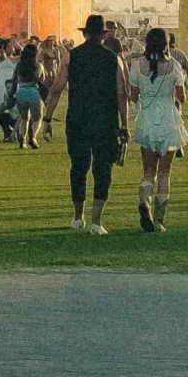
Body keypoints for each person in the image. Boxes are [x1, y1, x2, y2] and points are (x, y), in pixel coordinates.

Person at [66, 15, 126, 233]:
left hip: (77, 118)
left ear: (85, 33)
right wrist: (125, 123)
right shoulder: (113, 59)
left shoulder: (72, 56)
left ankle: (77, 216)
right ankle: (96, 221)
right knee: (103, 169)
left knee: (78, 167)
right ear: (104, 35)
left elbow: (56, 87)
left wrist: (47, 118)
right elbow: (122, 93)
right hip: (105, 119)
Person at [126, 29, 187, 232]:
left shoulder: (137, 66)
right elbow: (182, 96)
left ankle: (145, 200)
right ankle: (160, 218)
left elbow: (133, 95)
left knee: (148, 171)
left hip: (147, 116)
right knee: (164, 172)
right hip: (168, 117)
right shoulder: (174, 66)